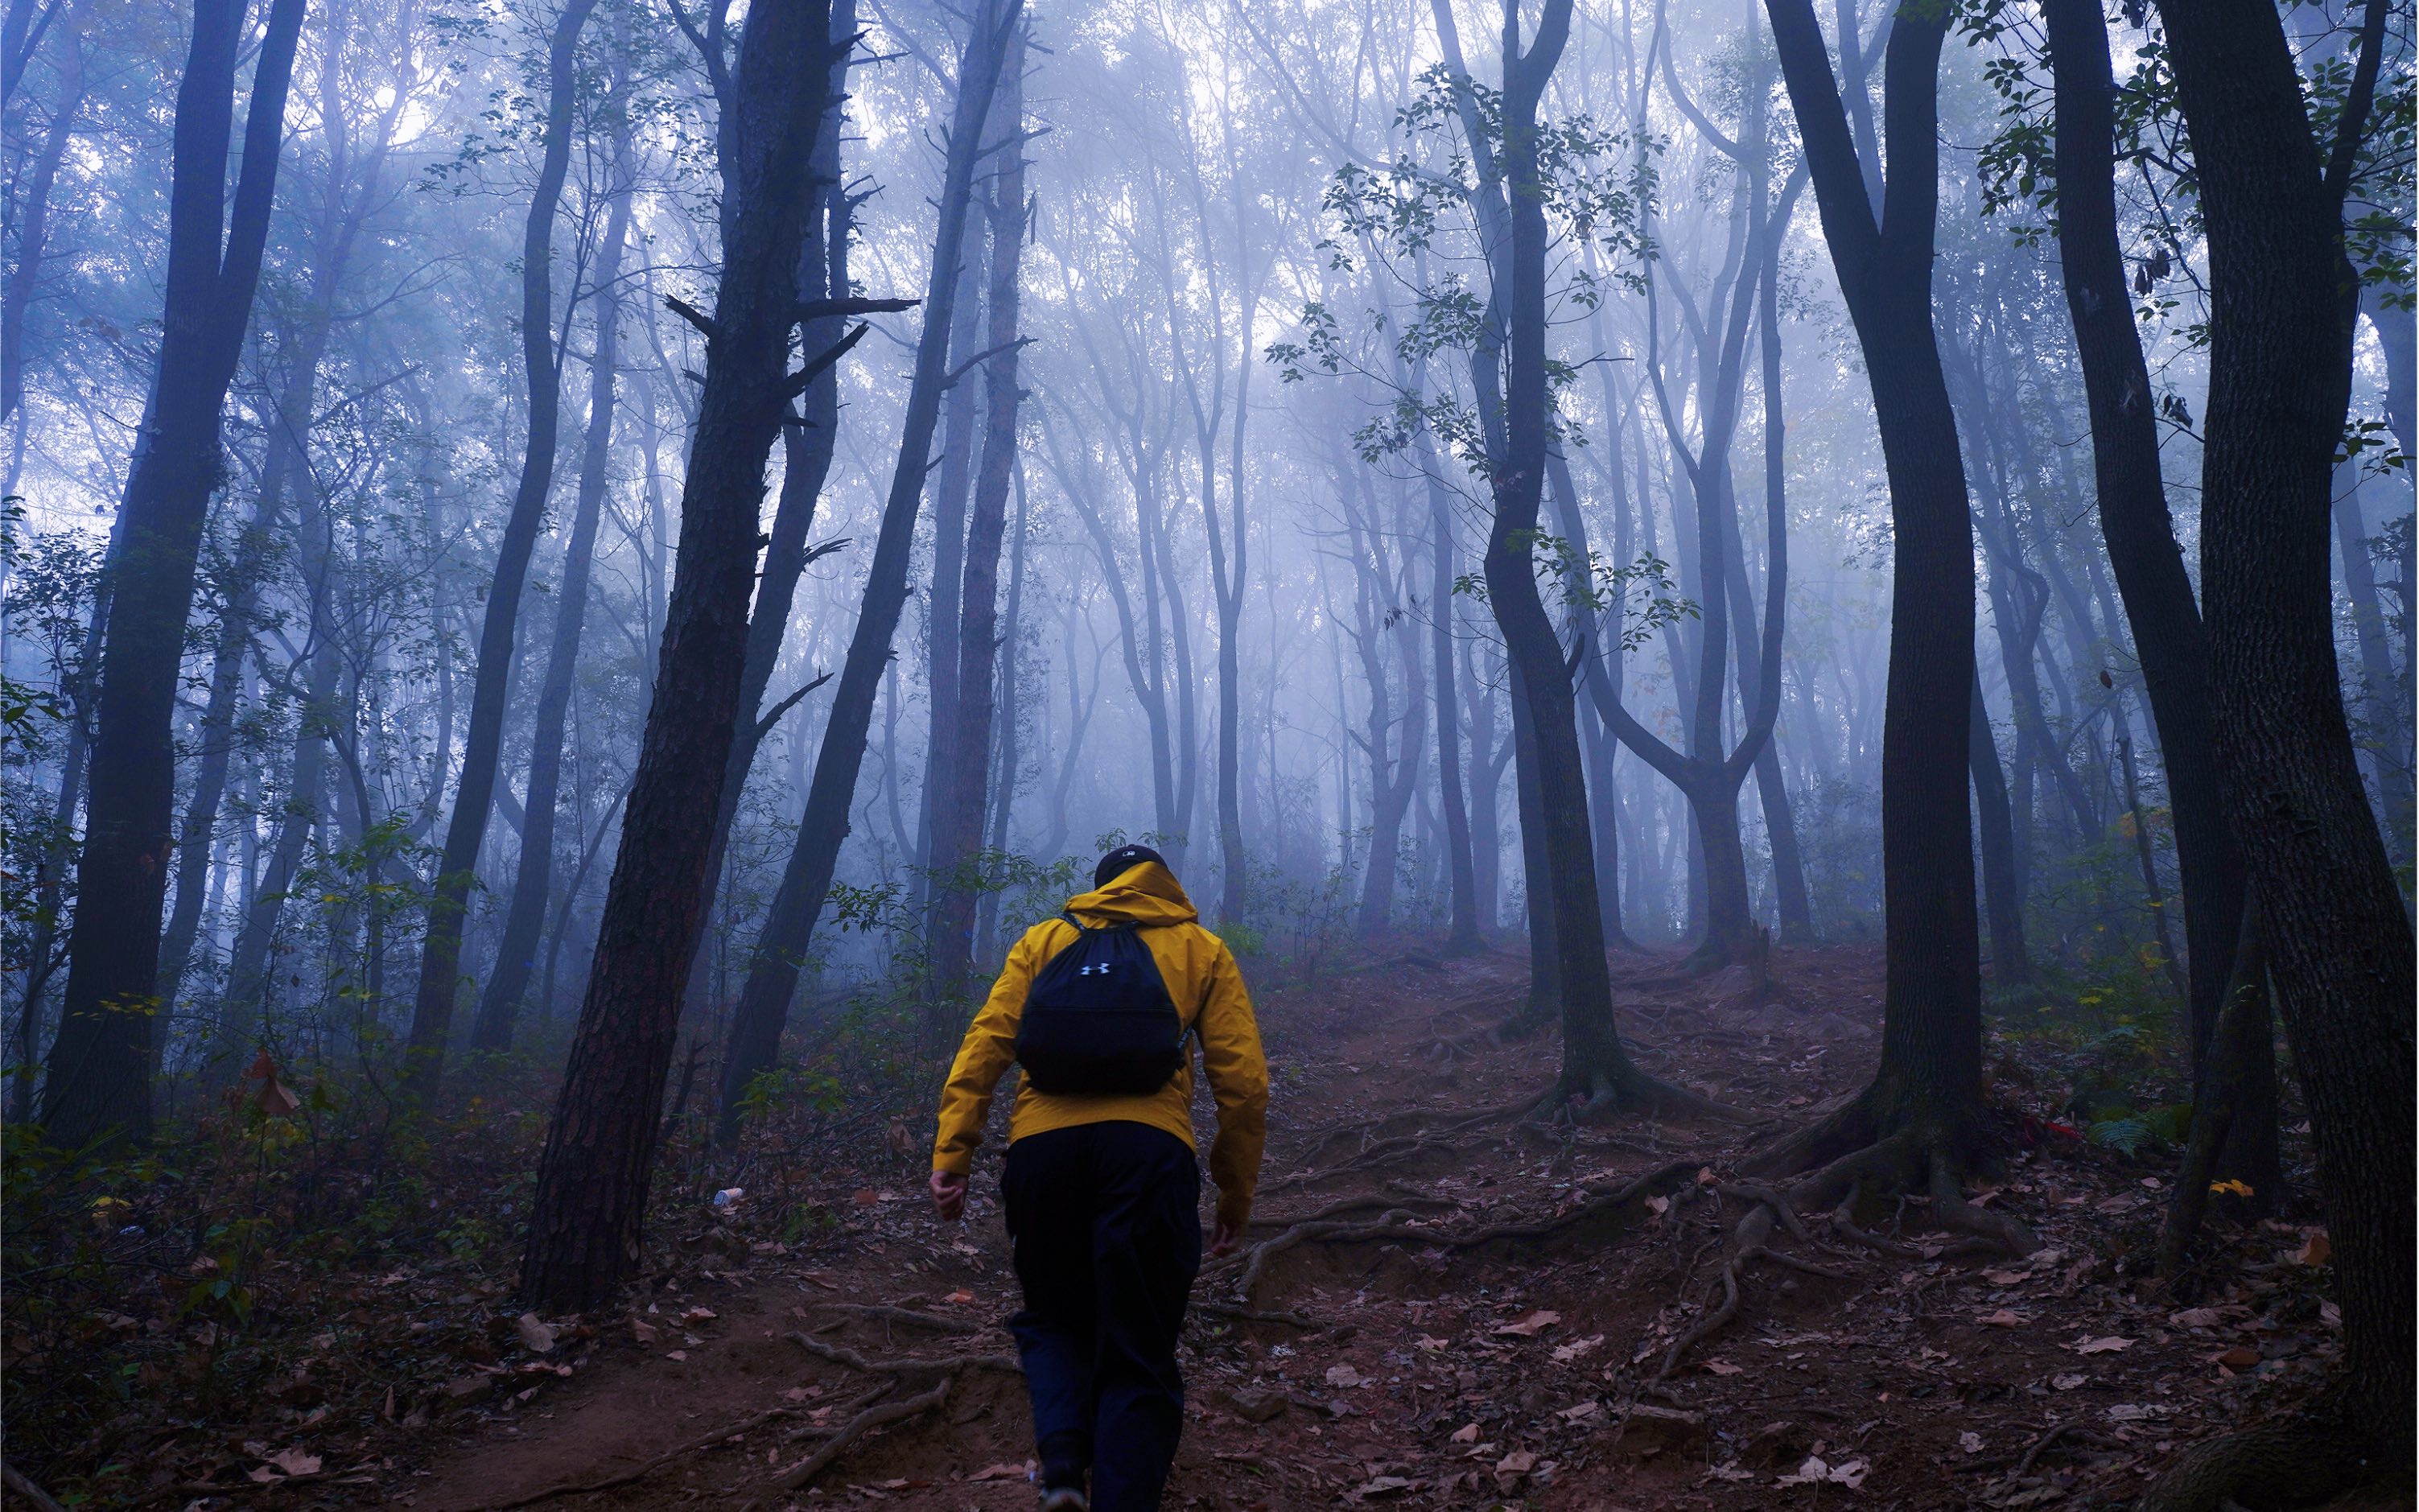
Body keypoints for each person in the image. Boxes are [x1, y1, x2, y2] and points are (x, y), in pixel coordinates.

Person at [930, 844, 1267, 1512]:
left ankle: (1061, 1468)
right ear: (1164, 886)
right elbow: (1245, 1085)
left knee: (1054, 1320)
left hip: (1041, 1154)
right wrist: (1235, 1191)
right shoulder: (1201, 948)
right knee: (1138, 1345)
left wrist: (953, 1152)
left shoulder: (1046, 939)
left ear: (1100, 890)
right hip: (1149, 1154)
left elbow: (985, 1044)